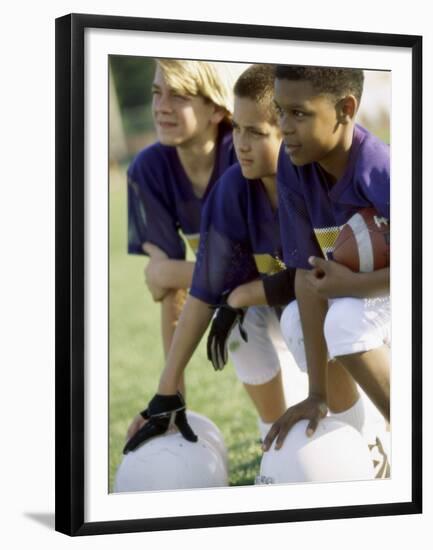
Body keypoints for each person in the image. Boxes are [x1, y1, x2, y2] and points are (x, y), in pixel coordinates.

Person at [124, 64, 368, 454]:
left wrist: (239, 295)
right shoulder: (232, 188)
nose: (240, 143)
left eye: (255, 132)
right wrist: (166, 393)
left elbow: (311, 277)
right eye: (238, 129)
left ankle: (362, 439)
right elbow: (203, 289)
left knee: (301, 320)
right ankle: (274, 438)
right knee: (238, 324)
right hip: (287, 305)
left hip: (359, 305)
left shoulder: (316, 177)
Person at [262, 65, 390, 471]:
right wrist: (316, 393)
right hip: (365, 291)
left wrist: (358, 283)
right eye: (280, 111)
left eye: (298, 114)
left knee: (344, 322)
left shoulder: (380, 169)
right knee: (298, 322)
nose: (285, 126)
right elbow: (305, 275)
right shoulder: (294, 163)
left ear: (345, 108)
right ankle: (365, 447)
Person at [127, 59, 238, 402]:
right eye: (157, 93)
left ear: (217, 109)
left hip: (288, 293)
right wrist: (172, 394)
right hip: (238, 299)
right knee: (236, 326)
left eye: (179, 96)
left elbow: (272, 271)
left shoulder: (244, 153)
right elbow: (167, 289)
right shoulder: (150, 168)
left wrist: (174, 272)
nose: (161, 108)